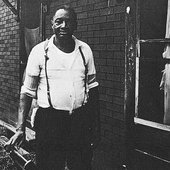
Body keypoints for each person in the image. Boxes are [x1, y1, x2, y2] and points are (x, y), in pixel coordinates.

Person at [5, 5, 100, 170]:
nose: (64, 26)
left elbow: (93, 89)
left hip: (79, 121)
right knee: (49, 166)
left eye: (68, 21)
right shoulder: (39, 52)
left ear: (75, 25)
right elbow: (26, 93)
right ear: (52, 24)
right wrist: (20, 128)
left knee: (81, 165)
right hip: (50, 122)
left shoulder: (85, 51)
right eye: (59, 21)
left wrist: (96, 126)